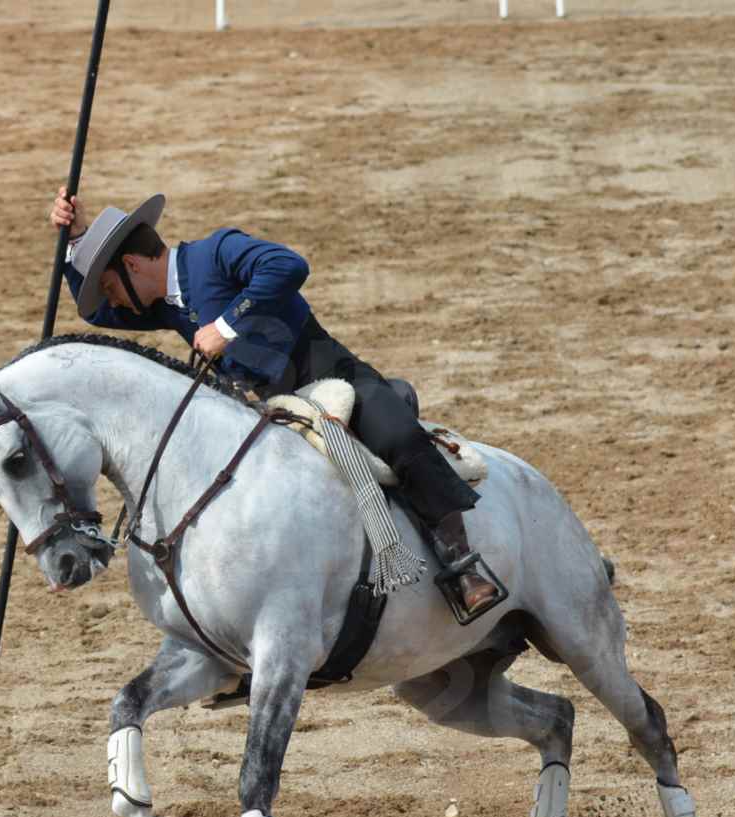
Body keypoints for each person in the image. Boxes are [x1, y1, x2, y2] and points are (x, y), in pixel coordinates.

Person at [50, 188, 502, 617]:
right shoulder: (164, 301)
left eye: (109, 286)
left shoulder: (217, 251)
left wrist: (227, 326)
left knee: (397, 436)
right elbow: (95, 314)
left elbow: (287, 265)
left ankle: (463, 567)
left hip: (327, 372)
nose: (114, 303)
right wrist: (74, 240)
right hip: (269, 406)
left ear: (131, 265)